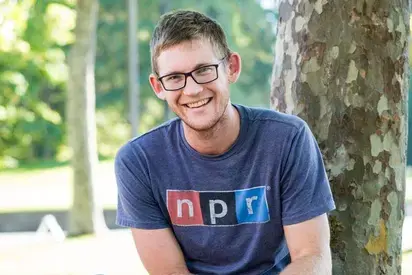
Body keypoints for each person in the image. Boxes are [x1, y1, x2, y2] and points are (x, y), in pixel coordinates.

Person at [114, 9, 336, 275]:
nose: (193, 89)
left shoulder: (287, 139)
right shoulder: (138, 161)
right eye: (174, 78)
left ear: (231, 67)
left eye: (204, 70)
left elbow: (312, 257)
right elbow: (170, 272)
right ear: (158, 87)